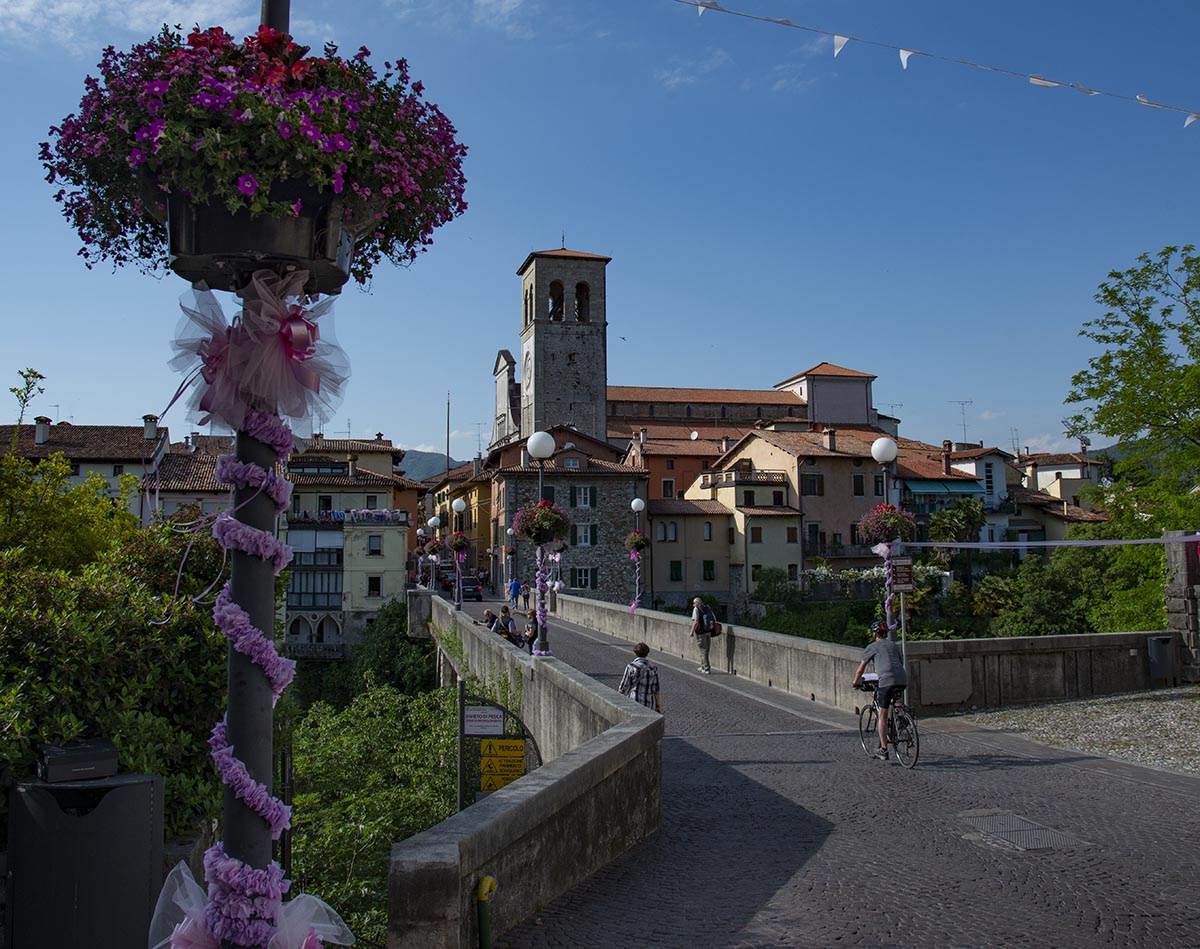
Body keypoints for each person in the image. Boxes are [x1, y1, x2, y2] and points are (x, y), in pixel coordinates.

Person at [852, 621, 909, 761]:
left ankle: (884, 749)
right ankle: (901, 717)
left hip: (886, 681)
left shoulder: (872, 647)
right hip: (902, 679)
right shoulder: (893, 646)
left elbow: (861, 669)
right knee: (895, 700)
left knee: (882, 715)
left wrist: (856, 682)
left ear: (874, 634)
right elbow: (899, 663)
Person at [618, 642, 661, 712]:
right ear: (647, 653)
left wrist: (618, 699)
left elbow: (624, 686)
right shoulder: (653, 668)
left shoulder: (631, 667)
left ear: (636, 653)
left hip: (634, 701)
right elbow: (656, 690)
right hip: (648, 703)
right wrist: (657, 705)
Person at [690, 597, 712, 674]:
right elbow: (713, 618)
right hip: (708, 631)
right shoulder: (707, 608)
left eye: (694, 603)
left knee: (703, 650)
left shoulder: (696, 609)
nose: (693, 605)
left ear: (697, 603)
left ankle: (706, 668)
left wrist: (691, 631)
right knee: (706, 650)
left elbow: (696, 622)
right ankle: (702, 665)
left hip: (700, 632)